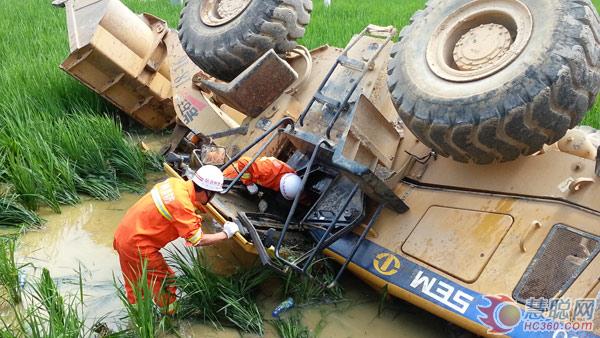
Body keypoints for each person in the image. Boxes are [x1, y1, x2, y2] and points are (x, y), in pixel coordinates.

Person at [113, 165, 239, 315]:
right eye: (213, 195)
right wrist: (226, 233)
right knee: (165, 281)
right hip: (139, 245)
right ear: (207, 192)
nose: (213, 198)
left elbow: (182, 205)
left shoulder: (175, 183)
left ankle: (138, 318)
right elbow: (198, 240)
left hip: (123, 235)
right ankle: (171, 318)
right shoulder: (182, 205)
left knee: (135, 284)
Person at [223, 156, 302, 200]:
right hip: (238, 173)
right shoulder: (265, 171)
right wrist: (248, 182)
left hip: (252, 176)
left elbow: (299, 192)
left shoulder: (292, 175)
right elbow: (242, 161)